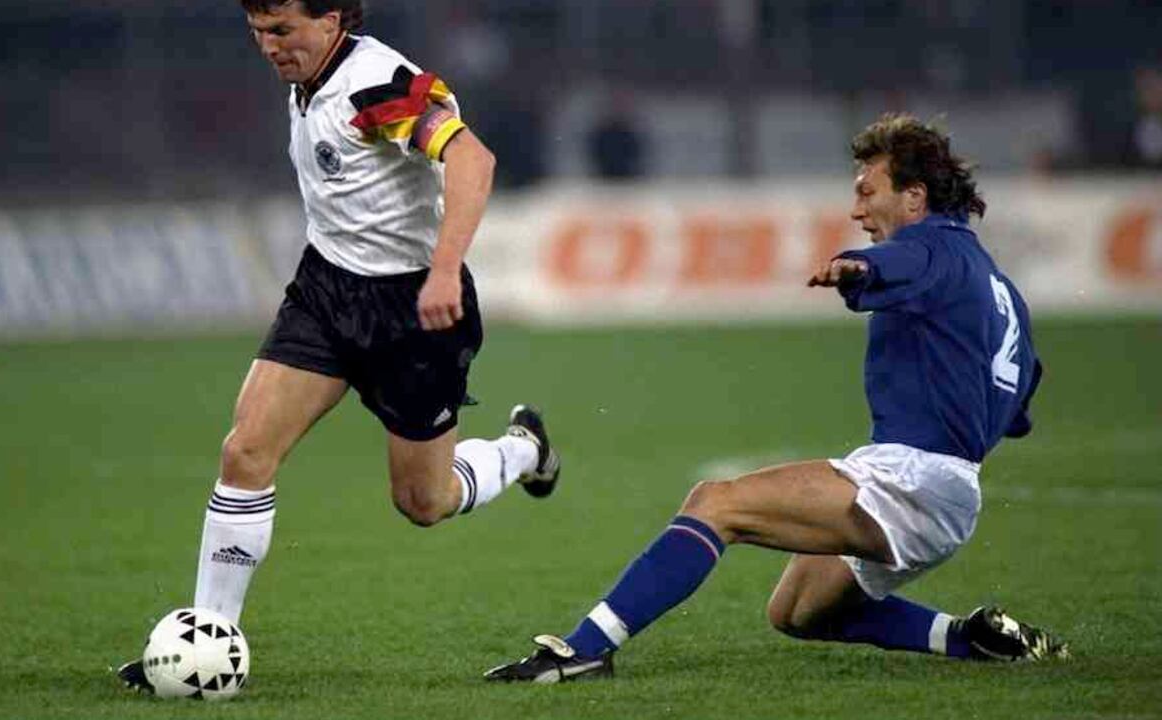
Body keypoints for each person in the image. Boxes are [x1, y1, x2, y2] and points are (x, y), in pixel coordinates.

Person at [484, 113, 1067, 684]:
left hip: (913, 481)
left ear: (914, 198)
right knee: (797, 611)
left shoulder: (929, 247)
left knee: (716, 503)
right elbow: (1019, 405)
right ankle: (970, 638)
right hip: (947, 487)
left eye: (868, 192)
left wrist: (856, 268)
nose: (856, 209)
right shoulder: (1001, 289)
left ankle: (584, 651)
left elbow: (893, 262)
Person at [118, 0, 561, 691]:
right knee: (245, 452)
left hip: (413, 312)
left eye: (283, 30)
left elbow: (473, 158)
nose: (269, 46)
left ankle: (523, 450)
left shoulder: (378, 86)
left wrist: (446, 269)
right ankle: (209, 644)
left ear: (332, 20)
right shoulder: (309, 78)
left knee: (423, 500)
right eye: (258, 33)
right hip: (326, 293)